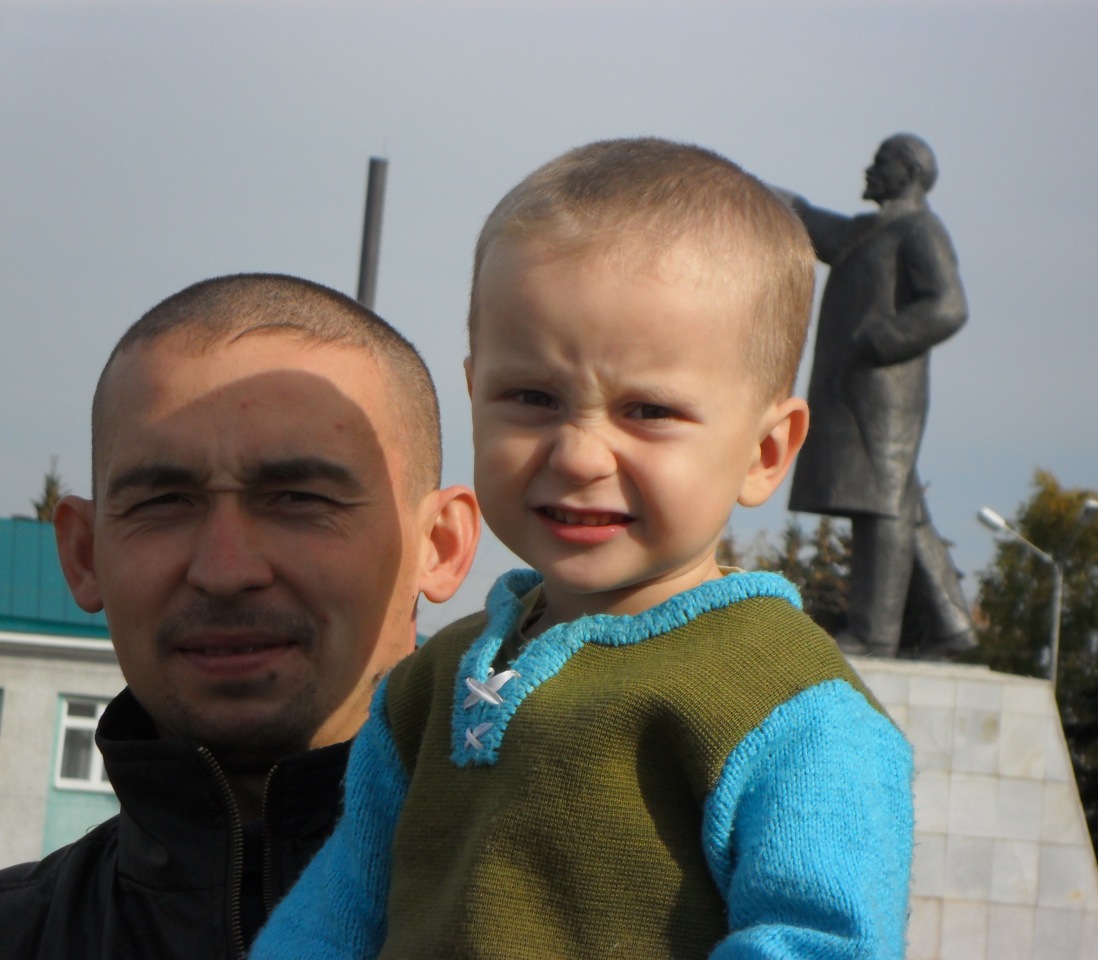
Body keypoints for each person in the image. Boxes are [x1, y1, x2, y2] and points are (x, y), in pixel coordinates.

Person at [251, 138, 914, 960]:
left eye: (648, 412)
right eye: (532, 397)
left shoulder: (793, 709)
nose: (577, 455)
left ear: (766, 451)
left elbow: (822, 944)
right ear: (474, 394)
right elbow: (330, 919)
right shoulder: (425, 689)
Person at [0, 274, 481, 960]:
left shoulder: (595, 927)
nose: (225, 571)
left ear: (440, 545)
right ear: (84, 554)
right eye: (163, 503)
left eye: (299, 498)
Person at [779, 133, 977, 659]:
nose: (870, 169)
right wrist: (746, 190)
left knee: (883, 504)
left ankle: (873, 632)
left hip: (887, 388)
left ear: (909, 173)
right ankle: (952, 625)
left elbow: (949, 306)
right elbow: (812, 222)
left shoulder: (920, 229)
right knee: (897, 498)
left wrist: (880, 339)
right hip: (857, 387)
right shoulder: (868, 230)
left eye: (881, 162)